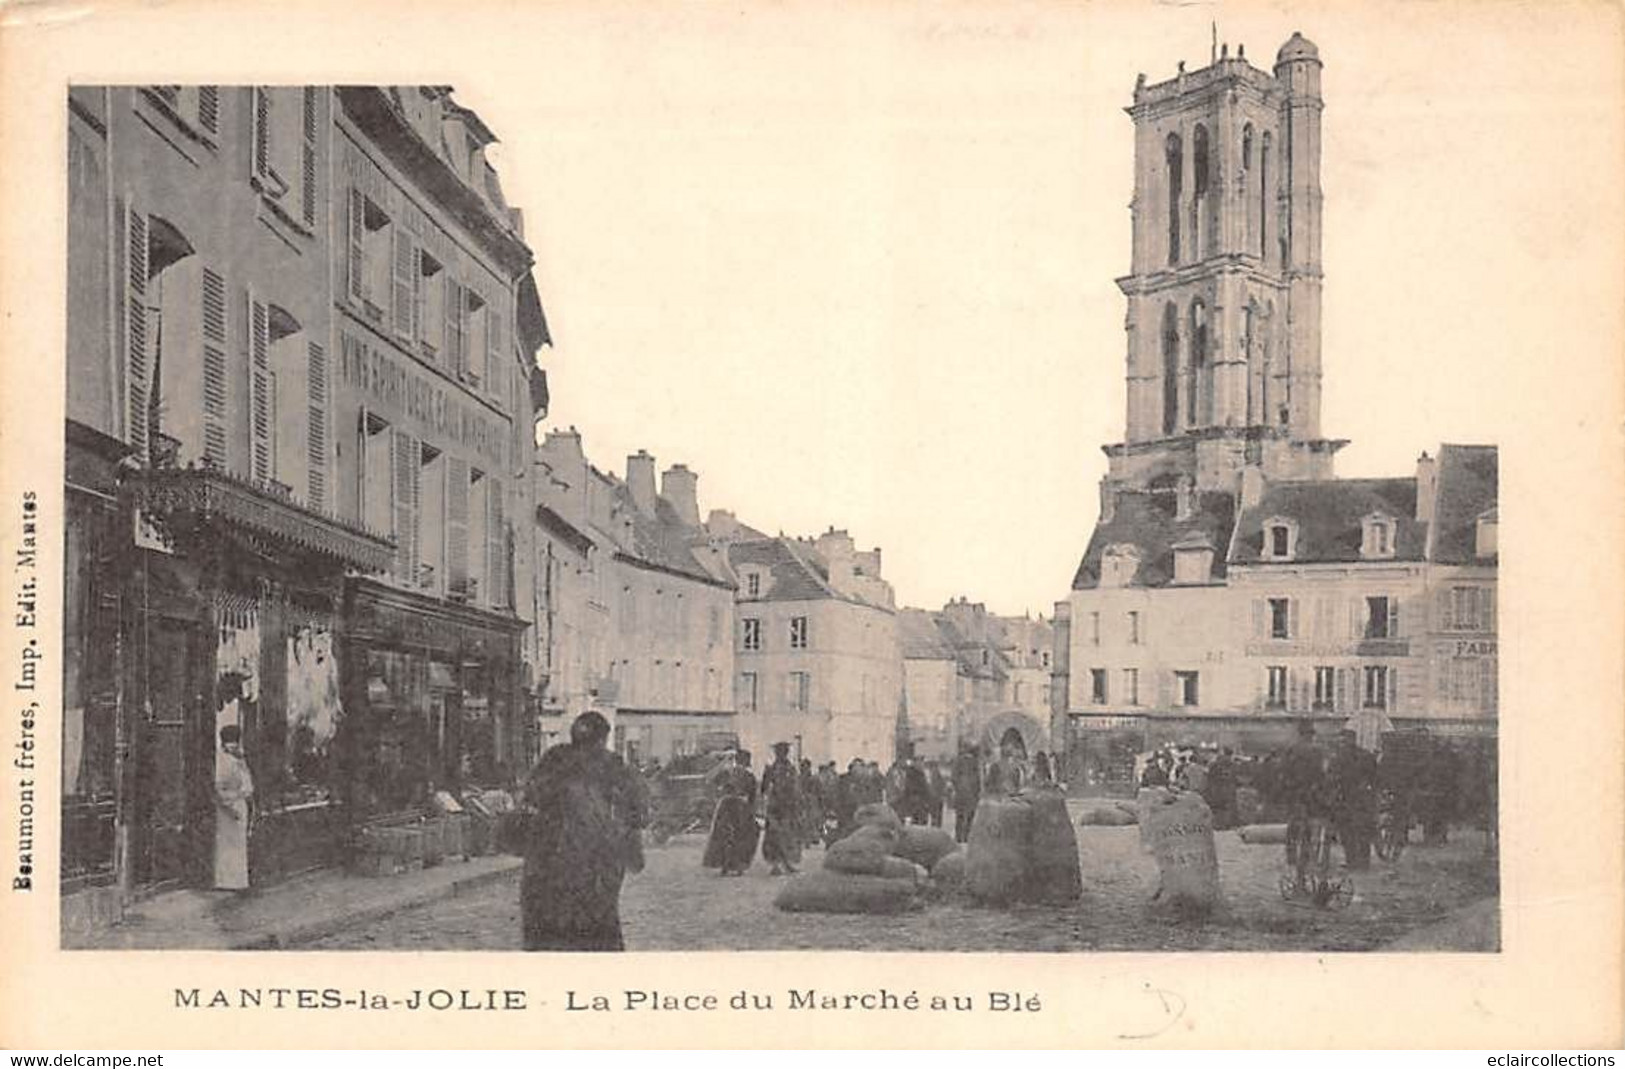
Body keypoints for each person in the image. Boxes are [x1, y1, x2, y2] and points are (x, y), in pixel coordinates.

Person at [519, 711, 649, 951]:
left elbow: (531, 796)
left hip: (549, 859)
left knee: (549, 921)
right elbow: (638, 811)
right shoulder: (612, 764)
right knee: (598, 923)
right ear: (603, 738)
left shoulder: (554, 758)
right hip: (597, 861)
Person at [1277, 723, 1330, 875]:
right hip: (1311, 793)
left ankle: (1292, 856)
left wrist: (1286, 790)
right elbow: (1322, 774)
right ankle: (1306, 857)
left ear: (1299, 734)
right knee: (1308, 826)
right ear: (1311, 735)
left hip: (1294, 793)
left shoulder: (1291, 750)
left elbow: (1283, 772)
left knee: (1293, 825)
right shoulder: (1318, 751)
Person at [702, 750, 759, 876]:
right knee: (739, 835)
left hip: (728, 806)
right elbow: (753, 797)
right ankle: (736, 866)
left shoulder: (728, 773)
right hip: (738, 806)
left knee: (726, 835)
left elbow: (709, 779)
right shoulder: (745, 775)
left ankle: (727, 865)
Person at [1328, 730, 1379, 870]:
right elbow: (1375, 779)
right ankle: (1360, 862)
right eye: (1342, 741)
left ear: (1352, 740)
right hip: (1356, 798)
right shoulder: (1365, 755)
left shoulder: (1339, 757)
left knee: (1351, 831)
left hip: (1350, 798)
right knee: (1355, 831)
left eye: (1344, 740)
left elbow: (1331, 778)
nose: (1343, 743)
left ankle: (1355, 862)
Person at [213, 723, 255, 891]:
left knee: (237, 843)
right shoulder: (225, 761)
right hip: (229, 805)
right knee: (228, 843)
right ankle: (226, 880)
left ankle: (236, 880)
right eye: (232, 742)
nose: (235, 746)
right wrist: (230, 805)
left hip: (237, 803)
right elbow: (219, 786)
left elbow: (248, 785)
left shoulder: (237, 760)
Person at [760, 742, 803, 875]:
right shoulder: (773, 769)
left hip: (787, 806)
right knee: (776, 835)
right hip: (777, 806)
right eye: (780, 752)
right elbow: (764, 788)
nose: (782, 754)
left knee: (786, 835)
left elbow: (796, 788)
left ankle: (785, 863)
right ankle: (777, 865)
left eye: (783, 752)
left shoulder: (789, 768)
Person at [950, 744, 982, 843]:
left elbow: (953, 778)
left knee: (960, 817)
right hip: (970, 795)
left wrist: (957, 788)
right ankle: (965, 837)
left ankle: (959, 837)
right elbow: (978, 780)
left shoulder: (958, 761)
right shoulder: (974, 763)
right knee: (969, 816)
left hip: (961, 794)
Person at [1204, 747, 1239, 830]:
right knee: (1227, 808)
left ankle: (1217, 825)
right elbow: (1235, 778)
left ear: (1223, 752)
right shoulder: (1234, 765)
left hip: (1216, 789)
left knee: (1217, 807)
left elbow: (1209, 777)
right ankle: (1226, 825)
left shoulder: (1214, 764)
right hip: (1229, 789)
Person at [925, 760, 947, 828]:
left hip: (935, 799)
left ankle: (935, 827)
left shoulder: (934, 776)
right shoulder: (936, 776)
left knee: (935, 816)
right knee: (936, 816)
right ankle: (936, 827)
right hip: (936, 799)